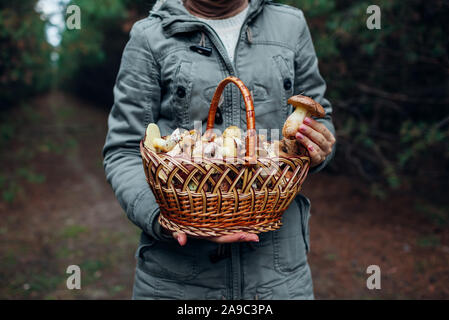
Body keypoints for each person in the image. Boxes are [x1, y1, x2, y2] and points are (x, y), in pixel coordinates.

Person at [103, 0, 336, 300]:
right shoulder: (150, 35)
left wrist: (320, 147)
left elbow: (321, 118)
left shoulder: (289, 25)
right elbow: (124, 149)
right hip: (177, 282)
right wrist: (167, 217)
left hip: (278, 279)